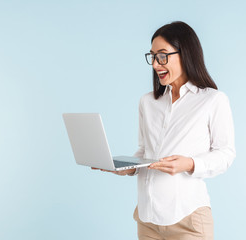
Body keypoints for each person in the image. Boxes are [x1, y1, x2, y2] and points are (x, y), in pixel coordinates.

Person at [93, 21, 235, 240]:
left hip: (188, 219)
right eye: (153, 57)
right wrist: (127, 167)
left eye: (162, 56)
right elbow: (144, 151)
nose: (156, 64)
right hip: (148, 219)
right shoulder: (147, 102)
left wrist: (189, 163)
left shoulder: (213, 100)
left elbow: (225, 154)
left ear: (185, 53)